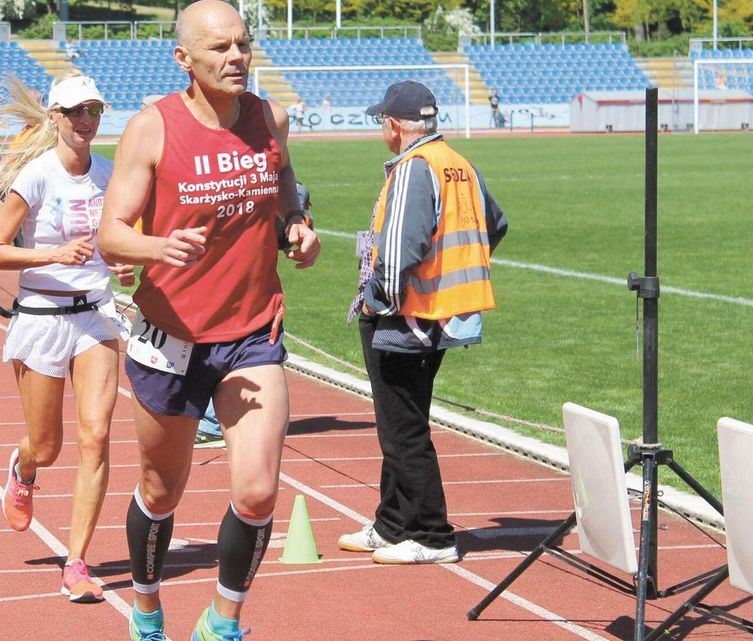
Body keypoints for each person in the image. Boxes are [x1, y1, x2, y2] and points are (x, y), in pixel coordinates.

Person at [96, 2, 319, 639]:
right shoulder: (151, 128)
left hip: (251, 331)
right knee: (161, 490)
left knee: (256, 491)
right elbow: (111, 235)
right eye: (219, 48)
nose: (236, 58)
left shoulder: (268, 117)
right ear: (184, 59)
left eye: (243, 45)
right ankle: (145, 607)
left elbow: (284, 189)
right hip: (169, 336)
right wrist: (153, 246)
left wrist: (297, 232)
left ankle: (222, 623)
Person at [0, 72, 134, 605]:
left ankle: (77, 563)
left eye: (93, 110)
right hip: (41, 317)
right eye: (75, 112)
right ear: (55, 119)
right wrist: (52, 254)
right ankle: (23, 468)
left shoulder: (112, 176)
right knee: (48, 446)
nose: (86, 120)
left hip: (95, 316)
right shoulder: (37, 176)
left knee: (97, 437)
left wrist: (128, 267)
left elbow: (118, 245)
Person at [338, 80, 507, 564]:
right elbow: (495, 224)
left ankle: (433, 535)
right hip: (440, 315)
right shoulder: (457, 163)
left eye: (381, 121)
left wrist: (376, 302)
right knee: (400, 421)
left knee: (403, 428)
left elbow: (399, 250)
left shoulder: (415, 168)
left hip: (406, 316)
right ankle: (393, 524)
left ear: (394, 125)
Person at [194, 179, 314, 451]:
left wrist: (295, 222)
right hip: (225, 285)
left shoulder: (270, 184)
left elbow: (286, 231)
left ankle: (214, 423)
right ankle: (214, 419)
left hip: (246, 295)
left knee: (228, 348)